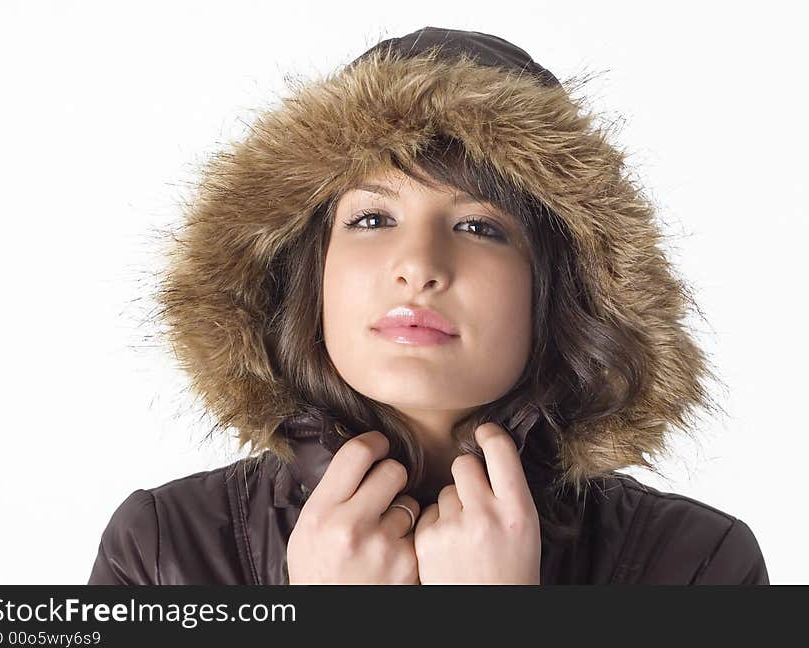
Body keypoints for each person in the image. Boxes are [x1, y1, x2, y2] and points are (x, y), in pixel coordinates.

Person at [88, 26, 769, 585]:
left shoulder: (698, 566)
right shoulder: (158, 551)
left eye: (480, 227)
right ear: (308, 269)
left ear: (563, 288)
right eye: (373, 220)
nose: (417, 265)